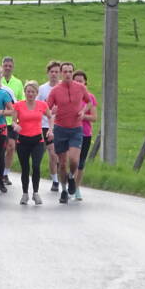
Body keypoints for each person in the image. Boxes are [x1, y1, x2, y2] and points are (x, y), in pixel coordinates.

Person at [46, 62, 92, 204]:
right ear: (61, 73)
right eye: (65, 71)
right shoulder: (55, 90)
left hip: (76, 129)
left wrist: (83, 111)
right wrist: (51, 111)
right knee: (62, 163)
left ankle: (71, 177)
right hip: (60, 129)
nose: (68, 74)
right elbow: (46, 108)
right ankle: (64, 190)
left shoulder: (80, 88)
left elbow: (89, 102)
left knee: (74, 160)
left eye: (70, 71)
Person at [11, 81, 53, 205]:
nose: (30, 94)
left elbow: (50, 117)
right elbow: (13, 121)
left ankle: (35, 193)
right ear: (25, 92)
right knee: (25, 168)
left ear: (36, 93)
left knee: (36, 166)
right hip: (22, 140)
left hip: (38, 141)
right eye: (28, 91)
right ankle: (25, 194)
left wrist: (50, 130)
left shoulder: (42, 105)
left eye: (33, 92)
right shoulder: (18, 105)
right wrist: (15, 126)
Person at [36, 60, 61, 192]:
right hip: (45, 125)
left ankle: (61, 176)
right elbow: (36, 107)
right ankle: (55, 180)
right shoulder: (42, 89)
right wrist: (49, 111)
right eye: (52, 72)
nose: (54, 74)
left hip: (61, 125)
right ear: (48, 73)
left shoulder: (63, 88)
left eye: (56, 72)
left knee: (59, 155)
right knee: (52, 153)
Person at [73, 70, 97, 201]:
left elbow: (94, 117)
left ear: (85, 83)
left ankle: (76, 187)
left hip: (85, 133)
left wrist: (83, 116)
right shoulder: (69, 96)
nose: (78, 83)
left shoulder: (90, 98)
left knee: (81, 162)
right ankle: (68, 184)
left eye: (80, 81)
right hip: (70, 132)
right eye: (76, 81)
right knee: (72, 161)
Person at [0, 56, 24, 186]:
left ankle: (5, 173)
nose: (8, 68)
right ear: (2, 66)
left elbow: (21, 101)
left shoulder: (18, 82)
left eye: (10, 66)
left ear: (13, 67)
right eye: (5, 65)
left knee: (11, 147)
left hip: (13, 121)